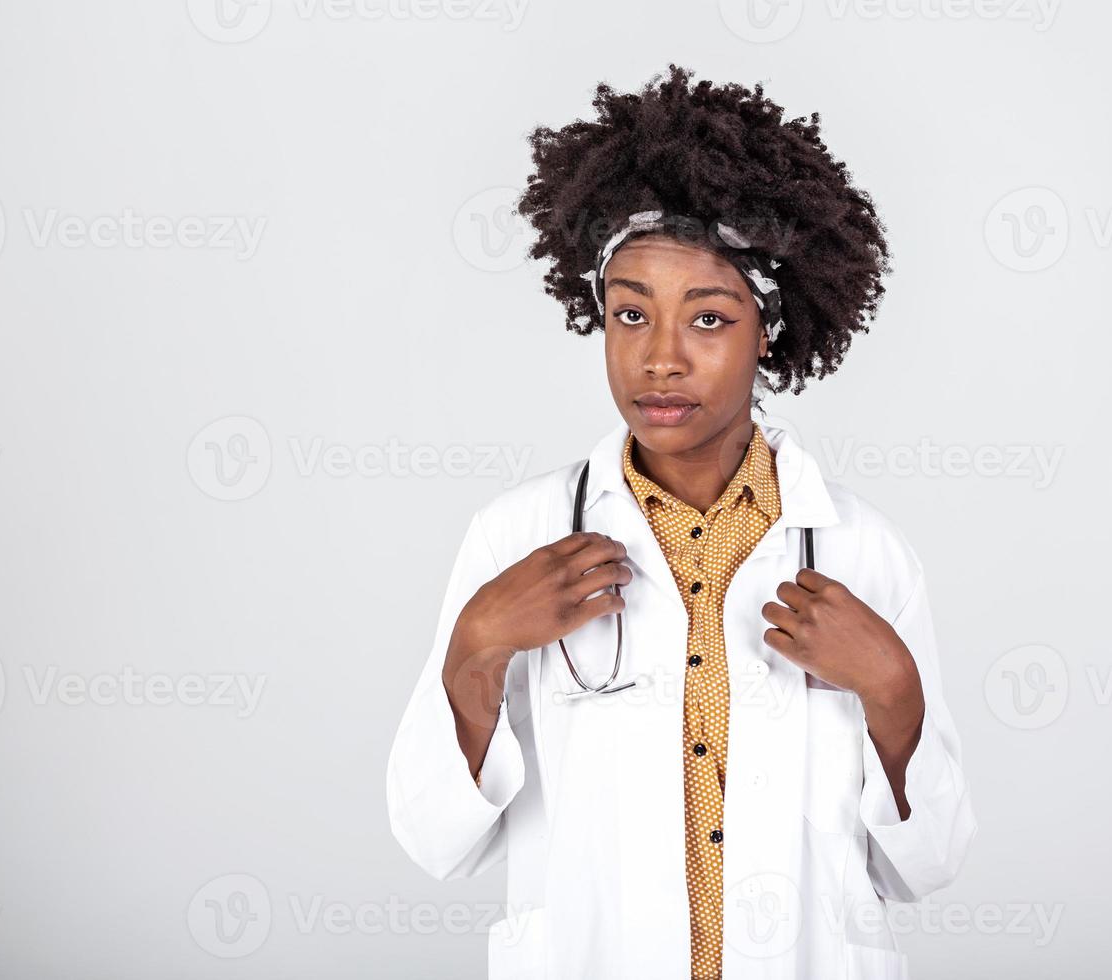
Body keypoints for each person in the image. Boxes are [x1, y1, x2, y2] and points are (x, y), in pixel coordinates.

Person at [386, 64, 976, 980]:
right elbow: (436, 842)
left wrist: (893, 691)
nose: (660, 359)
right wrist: (477, 649)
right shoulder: (518, 537)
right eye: (630, 314)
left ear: (768, 331)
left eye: (708, 318)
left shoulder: (862, 551)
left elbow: (925, 867)